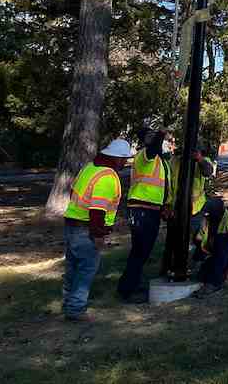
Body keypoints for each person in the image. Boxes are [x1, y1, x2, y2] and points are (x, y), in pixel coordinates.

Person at [61, 138, 133, 321]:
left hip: (72, 224)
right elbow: (97, 211)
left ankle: (67, 302)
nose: (125, 163)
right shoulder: (107, 177)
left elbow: (73, 192)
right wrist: (98, 235)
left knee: (72, 267)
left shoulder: (89, 168)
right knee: (86, 269)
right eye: (124, 159)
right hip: (86, 230)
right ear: (116, 158)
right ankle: (76, 309)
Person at [116, 128, 171, 303]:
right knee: (140, 251)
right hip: (141, 209)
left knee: (142, 251)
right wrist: (161, 135)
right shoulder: (146, 155)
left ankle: (131, 285)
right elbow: (153, 148)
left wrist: (164, 205)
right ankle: (128, 290)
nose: (154, 139)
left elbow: (163, 185)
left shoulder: (159, 160)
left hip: (151, 210)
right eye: (151, 137)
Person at [192, 197, 228, 297]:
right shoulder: (207, 220)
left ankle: (215, 283)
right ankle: (221, 273)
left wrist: (216, 242)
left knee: (222, 241)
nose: (206, 215)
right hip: (216, 252)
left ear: (217, 212)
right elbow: (199, 239)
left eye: (208, 213)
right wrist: (197, 259)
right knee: (201, 276)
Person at [166, 145, 215, 239]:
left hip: (195, 210)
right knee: (172, 241)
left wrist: (199, 159)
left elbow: (208, 171)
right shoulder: (174, 161)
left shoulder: (203, 160)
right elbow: (168, 185)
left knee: (191, 239)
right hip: (175, 209)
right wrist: (167, 204)